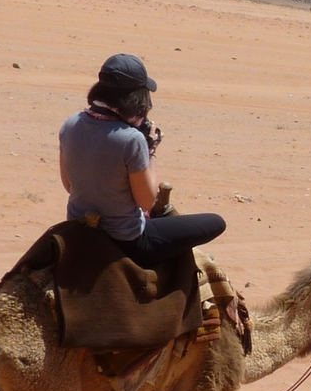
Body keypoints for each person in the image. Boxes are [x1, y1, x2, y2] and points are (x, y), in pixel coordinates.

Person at [57, 53, 224, 268]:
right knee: (216, 222)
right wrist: (150, 150)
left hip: (78, 230)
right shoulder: (131, 139)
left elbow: (69, 185)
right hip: (128, 240)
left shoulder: (71, 124)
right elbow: (147, 201)